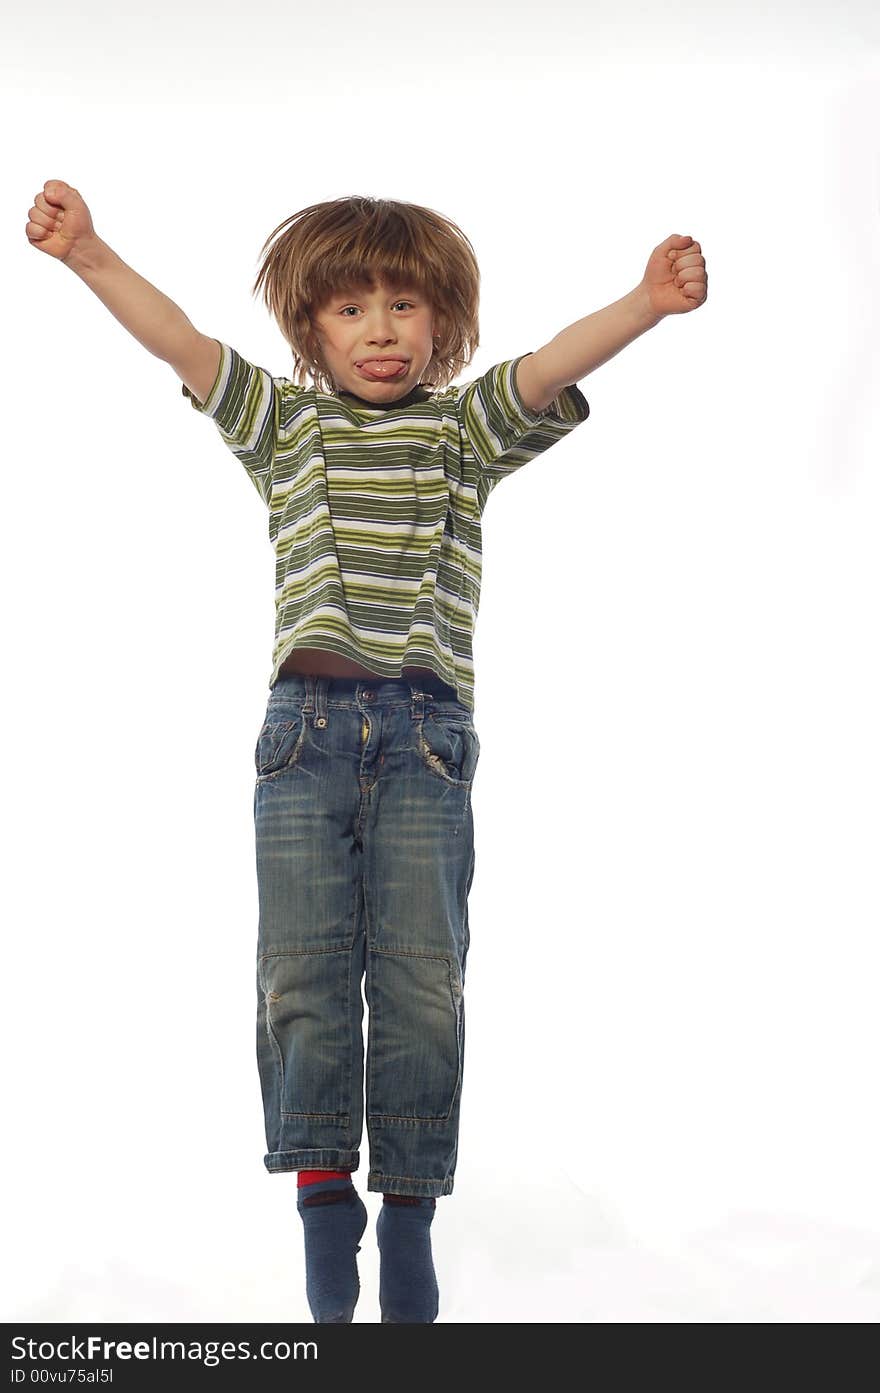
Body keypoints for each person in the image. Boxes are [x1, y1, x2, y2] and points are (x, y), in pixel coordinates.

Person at [26, 181, 707, 1323]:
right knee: (301, 973)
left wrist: (643, 301)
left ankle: (411, 1213)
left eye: (403, 307)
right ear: (311, 331)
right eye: (350, 310)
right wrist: (89, 253)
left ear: (442, 323)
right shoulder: (281, 425)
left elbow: (545, 366)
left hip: (425, 742)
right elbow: (182, 341)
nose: (381, 330)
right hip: (303, 738)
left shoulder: (462, 431)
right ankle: (321, 1193)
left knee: (420, 981)